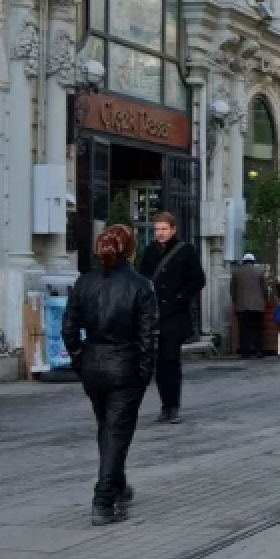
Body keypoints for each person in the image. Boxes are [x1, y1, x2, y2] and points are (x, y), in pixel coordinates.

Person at [61, 225, 157, 525]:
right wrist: (143, 372)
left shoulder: (84, 283)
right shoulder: (141, 286)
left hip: (94, 365)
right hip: (124, 366)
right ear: (131, 250)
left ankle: (116, 484)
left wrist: (80, 358)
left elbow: (68, 328)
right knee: (116, 431)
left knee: (108, 426)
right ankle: (103, 499)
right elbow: (148, 337)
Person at [137, 211, 205, 424]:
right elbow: (142, 278)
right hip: (155, 312)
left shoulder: (185, 251)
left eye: (164, 229)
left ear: (173, 229)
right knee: (159, 362)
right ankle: (164, 405)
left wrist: (180, 297)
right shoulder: (149, 251)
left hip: (175, 314)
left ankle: (173, 405)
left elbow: (198, 280)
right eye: (157, 229)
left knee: (171, 359)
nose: (160, 233)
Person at [230, 253, 268, 359]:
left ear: (243, 261)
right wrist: (265, 299)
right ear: (253, 261)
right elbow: (265, 288)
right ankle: (259, 350)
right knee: (257, 328)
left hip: (241, 306)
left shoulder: (236, 271)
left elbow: (232, 289)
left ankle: (245, 352)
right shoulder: (259, 271)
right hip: (257, 306)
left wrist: (235, 300)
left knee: (243, 329)